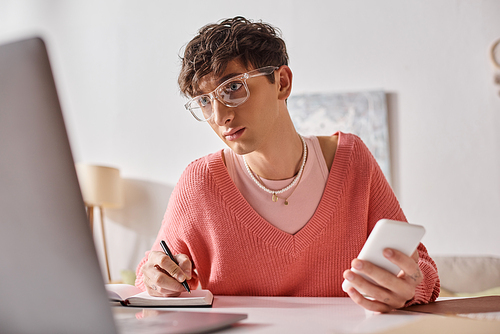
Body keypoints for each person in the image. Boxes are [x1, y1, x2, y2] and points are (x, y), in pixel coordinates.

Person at [135, 16, 440, 312]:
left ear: (281, 82)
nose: (219, 116)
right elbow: (148, 278)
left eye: (232, 88)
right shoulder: (199, 182)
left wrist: (411, 285)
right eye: (204, 100)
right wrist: (156, 279)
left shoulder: (352, 160)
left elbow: (423, 270)